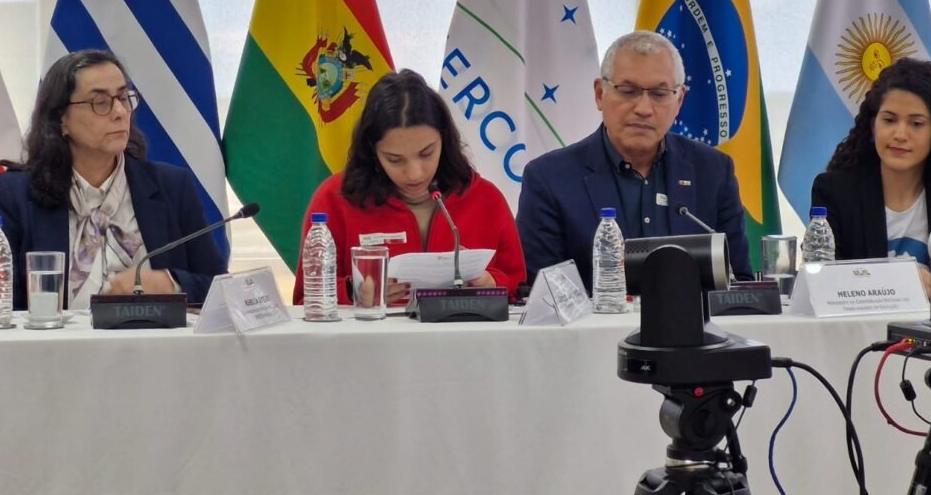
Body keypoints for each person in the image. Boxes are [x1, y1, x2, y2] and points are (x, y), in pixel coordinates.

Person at [0, 50, 226, 310]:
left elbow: (220, 288)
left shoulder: (172, 186)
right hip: (56, 337)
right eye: (100, 102)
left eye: (124, 98)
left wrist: (170, 283)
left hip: (150, 335)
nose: (120, 112)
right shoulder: (16, 193)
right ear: (61, 120)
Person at [517, 30, 753, 292]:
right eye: (628, 91)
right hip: (593, 319)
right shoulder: (550, 179)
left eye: (659, 94)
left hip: (694, 319)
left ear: (679, 100)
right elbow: (544, 295)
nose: (643, 108)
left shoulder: (713, 171)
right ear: (600, 94)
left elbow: (739, 284)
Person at [292, 69, 526, 305]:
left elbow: (520, 290)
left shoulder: (485, 198)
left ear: (444, 140)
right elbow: (305, 300)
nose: (415, 173)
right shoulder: (336, 198)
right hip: (373, 330)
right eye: (395, 159)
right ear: (372, 151)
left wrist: (492, 284)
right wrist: (354, 292)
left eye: (426, 153)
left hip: (463, 329)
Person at [812, 57, 931, 297]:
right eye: (889, 120)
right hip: (864, 320)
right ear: (873, 125)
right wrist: (902, 279)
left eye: (916, 123)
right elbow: (821, 277)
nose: (899, 134)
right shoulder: (836, 192)